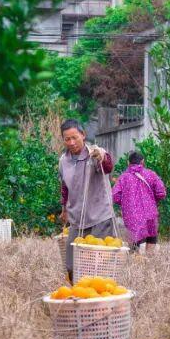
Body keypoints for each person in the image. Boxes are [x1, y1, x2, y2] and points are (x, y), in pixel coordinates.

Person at [58, 119, 115, 279]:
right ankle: (78, 297)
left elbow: (107, 166)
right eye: (67, 139)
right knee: (71, 265)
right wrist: (64, 209)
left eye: (74, 137)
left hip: (99, 217)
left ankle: (98, 299)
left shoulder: (94, 153)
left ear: (83, 135)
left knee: (98, 265)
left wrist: (103, 157)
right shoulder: (63, 161)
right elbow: (65, 187)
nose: (71, 142)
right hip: (77, 219)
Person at [111, 151, 167, 253]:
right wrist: (152, 201)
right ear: (142, 162)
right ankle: (148, 262)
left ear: (128, 163)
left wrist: (125, 203)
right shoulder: (151, 174)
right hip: (150, 212)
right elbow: (161, 192)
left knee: (134, 238)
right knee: (151, 236)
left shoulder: (123, 177)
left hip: (132, 213)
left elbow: (115, 196)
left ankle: (134, 262)